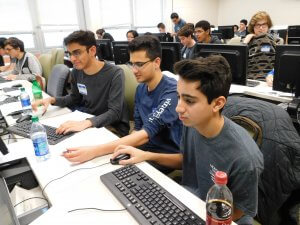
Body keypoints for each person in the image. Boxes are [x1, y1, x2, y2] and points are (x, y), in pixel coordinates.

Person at [112, 55, 264, 225]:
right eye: (179, 97)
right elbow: (186, 160)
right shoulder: (191, 122)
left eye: (189, 101)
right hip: (190, 200)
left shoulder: (245, 158)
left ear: (217, 103)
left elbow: (237, 212)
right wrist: (146, 155)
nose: (178, 108)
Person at [62, 35, 182, 172]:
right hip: (143, 149)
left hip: (163, 156)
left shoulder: (172, 92)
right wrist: (121, 148)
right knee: (101, 166)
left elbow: (144, 134)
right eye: (132, 64)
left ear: (156, 62)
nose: (134, 70)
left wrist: (95, 151)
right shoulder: (141, 88)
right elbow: (137, 128)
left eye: (140, 64)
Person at [32, 30, 129, 137]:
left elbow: (115, 112)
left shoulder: (115, 73)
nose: (72, 58)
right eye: (69, 54)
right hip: (89, 119)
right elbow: (74, 98)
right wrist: (51, 100)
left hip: (112, 126)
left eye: (77, 53)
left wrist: (86, 123)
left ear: (92, 50)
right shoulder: (76, 72)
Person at [243, 11, 280, 82]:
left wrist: (272, 74)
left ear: (268, 26)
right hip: (248, 80)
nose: (261, 28)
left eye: (264, 25)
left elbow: (281, 64)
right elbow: (238, 62)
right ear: (253, 27)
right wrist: (245, 42)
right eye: (257, 25)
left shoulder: (274, 42)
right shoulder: (247, 41)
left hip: (268, 81)